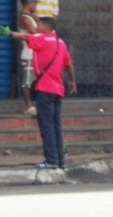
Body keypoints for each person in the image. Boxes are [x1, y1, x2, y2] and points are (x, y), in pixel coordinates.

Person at [1, 17, 77, 169]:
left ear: (47, 27)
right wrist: (72, 82)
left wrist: (8, 33)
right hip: (58, 90)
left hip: (45, 89)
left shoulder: (41, 38)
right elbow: (69, 65)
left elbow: (23, 36)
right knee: (56, 126)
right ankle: (60, 161)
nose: (37, 26)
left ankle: (51, 161)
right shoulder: (60, 43)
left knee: (46, 126)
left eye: (40, 24)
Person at [18, 0, 39, 116]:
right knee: (26, 81)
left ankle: (35, 104)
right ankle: (28, 106)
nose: (35, 6)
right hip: (28, 54)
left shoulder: (30, 17)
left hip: (35, 54)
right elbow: (35, 32)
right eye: (35, 3)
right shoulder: (25, 18)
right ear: (29, 3)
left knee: (35, 80)